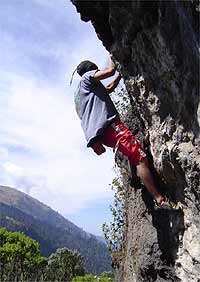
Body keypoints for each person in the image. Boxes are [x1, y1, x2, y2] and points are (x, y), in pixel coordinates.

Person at [72, 57, 169, 207]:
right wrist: (113, 58)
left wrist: (120, 76)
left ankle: (136, 178)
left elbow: (109, 88)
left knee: (130, 151)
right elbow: (109, 72)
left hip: (98, 135)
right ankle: (159, 199)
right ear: (90, 70)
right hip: (109, 126)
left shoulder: (80, 95)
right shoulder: (87, 77)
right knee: (139, 157)